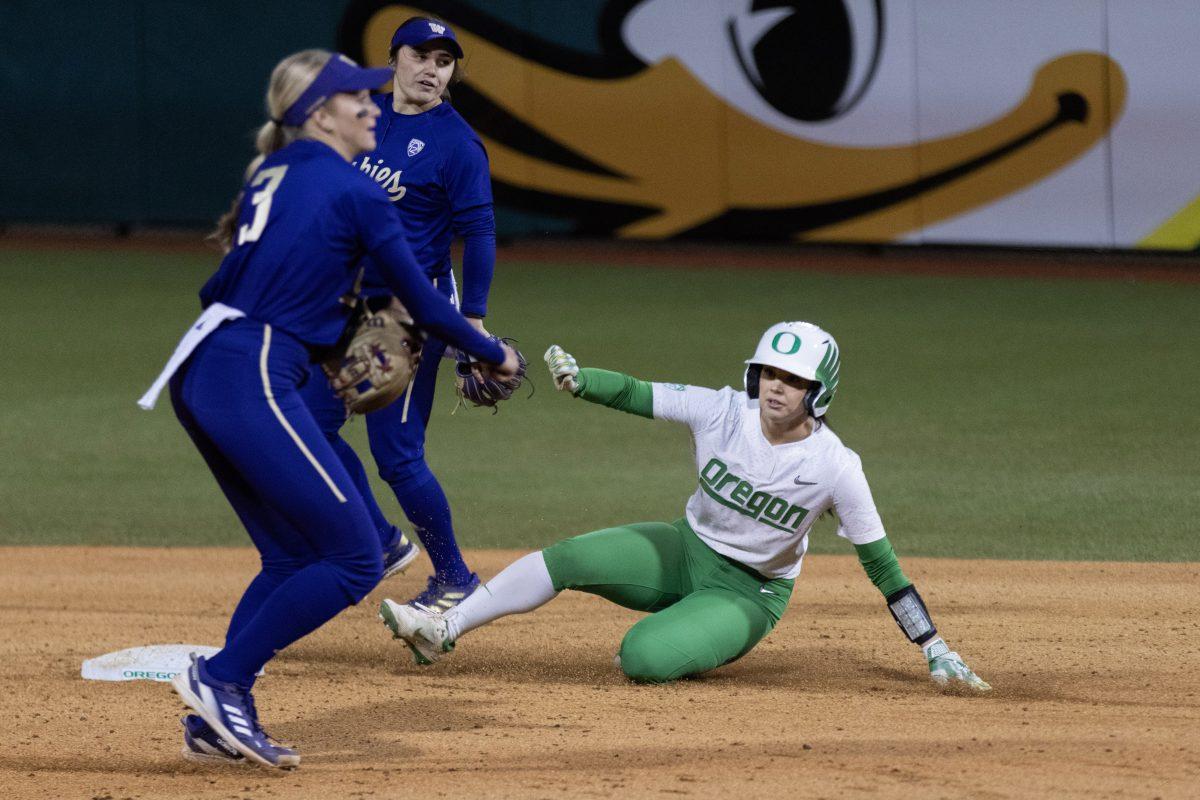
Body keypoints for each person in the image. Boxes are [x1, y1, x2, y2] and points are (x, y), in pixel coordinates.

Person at [139, 49, 519, 769]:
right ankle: (219, 678)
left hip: (206, 367)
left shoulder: (273, 173)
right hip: (253, 371)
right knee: (356, 556)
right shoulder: (356, 190)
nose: (374, 107)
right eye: (358, 99)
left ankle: (216, 714)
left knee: (291, 556)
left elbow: (246, 281)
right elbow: (421, 295)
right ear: (320, 113)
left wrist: (342, 328)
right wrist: (490, 350)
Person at [379, 322, 990, 691]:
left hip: (749, 592)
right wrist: (578, 378)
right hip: (684, 547)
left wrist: (932, 644)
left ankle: (700, 625)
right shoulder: (725, 409)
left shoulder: (836, 466)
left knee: (641, 657)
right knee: (563, 558)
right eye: (770, 372)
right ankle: (445, 630)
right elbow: (640, 394)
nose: (777, 386)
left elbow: (883, 567)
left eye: (794, 379)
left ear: (819, 393)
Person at [299, 16, 500, 612]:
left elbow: (480, 232)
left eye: (444, 61)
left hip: (411, 316)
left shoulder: (457, 144)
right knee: (307, 429)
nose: (432, 70)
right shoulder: (365, 117)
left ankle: (454, 576)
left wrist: (477, 322)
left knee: (397, 454)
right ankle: (382, 542)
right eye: (422, 56)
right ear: (394, 59)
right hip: (345, 307)